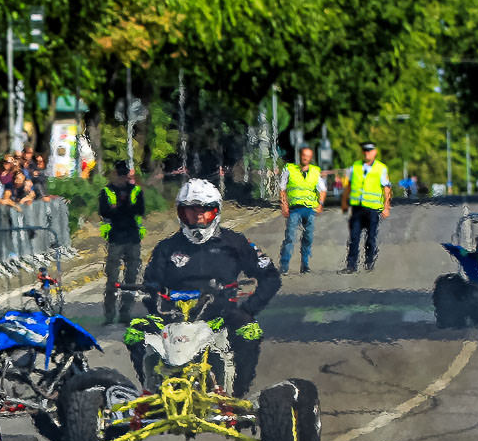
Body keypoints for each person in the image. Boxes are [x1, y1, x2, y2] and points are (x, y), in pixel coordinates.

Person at [128, 179, 280, 397]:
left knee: (249, 331)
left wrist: (248, 310)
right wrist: (158, 306)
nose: (198, 216)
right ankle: (153, 389)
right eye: (191, 211)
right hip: (173, 317)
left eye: (205, 211)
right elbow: (151, 285)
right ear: (181, 213)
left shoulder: (235, 243)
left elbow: (271, 277)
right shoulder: (166, 247)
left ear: (216, 212)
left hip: (221, 315)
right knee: (134, 332)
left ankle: (235, 395)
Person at [98, 162, 146, 325]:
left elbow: (140, 210)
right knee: (112, 278)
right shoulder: (106, 191)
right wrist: (124, 209)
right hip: (116, 238)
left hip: (132, 238)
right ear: (114, 175)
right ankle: (109, 314)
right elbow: (104, 212)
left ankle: (125, 312)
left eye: (124, 175)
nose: (121, 177)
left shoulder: (136, 190)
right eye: (119, 174)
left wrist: (117, 208)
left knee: (131, 278)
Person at [338, 141, 391, 273]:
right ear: (363, 152)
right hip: (357, 209)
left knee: (371, 237)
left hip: (372, 209)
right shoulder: (355, 167)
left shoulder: (381, 168)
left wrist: (386, 207)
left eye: (369, 151)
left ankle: (369, 261)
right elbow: (349, 186)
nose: (367, 153)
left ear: (374, 152)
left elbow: (386, 188)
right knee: (354, 237)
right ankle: (351, 265)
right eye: (365, 151)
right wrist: (344, 201)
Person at [278, 145, 325, 274]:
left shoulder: (315, 171)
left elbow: (322, 189)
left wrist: (320, 204)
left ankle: (305, 265)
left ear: (311, 158)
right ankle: (284, 265)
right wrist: (284, 205)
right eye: (304, 155)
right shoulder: (289, 168)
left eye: (308, 156)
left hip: (309, 209)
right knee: (290, 237)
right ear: (300, 156)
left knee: (308, 237)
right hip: (295, 209)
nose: (306, 158)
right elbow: (282, 188)